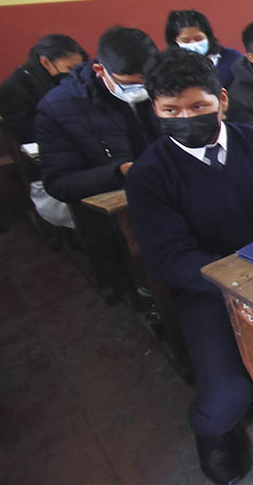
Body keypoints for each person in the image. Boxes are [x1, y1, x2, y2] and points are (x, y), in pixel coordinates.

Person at [126, 50, 253, 483]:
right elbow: (169, 256)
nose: (186, 118)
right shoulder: (149, 175)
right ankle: (212, 432)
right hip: (209, 292)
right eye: (171, 111)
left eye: (198, 107)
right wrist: (239, 284)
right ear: (155, 111)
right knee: (229, 393)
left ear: (223, 101)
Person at [34, 26, 160, 301]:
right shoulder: (59, 107)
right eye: (130, 84)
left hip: (168, 196)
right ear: (100, 71)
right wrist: (120, 171)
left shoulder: (162, 85)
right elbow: (59, 183)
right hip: (115, 215)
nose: (141, 91)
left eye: (147, 82)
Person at [0, 34, 89, 145]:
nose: (75, 74)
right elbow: (27, 132)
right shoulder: (13, 88)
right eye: (69, 68)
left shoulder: (75, 77)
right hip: (47, 147)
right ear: (45, 62)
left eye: (79, 68)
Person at [163, 9, 243, 89]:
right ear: (175, 41)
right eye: (185, 40)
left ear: (208, 36)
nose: (193, 44)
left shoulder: (232, 58)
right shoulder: (166, 64)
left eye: (198, 39)